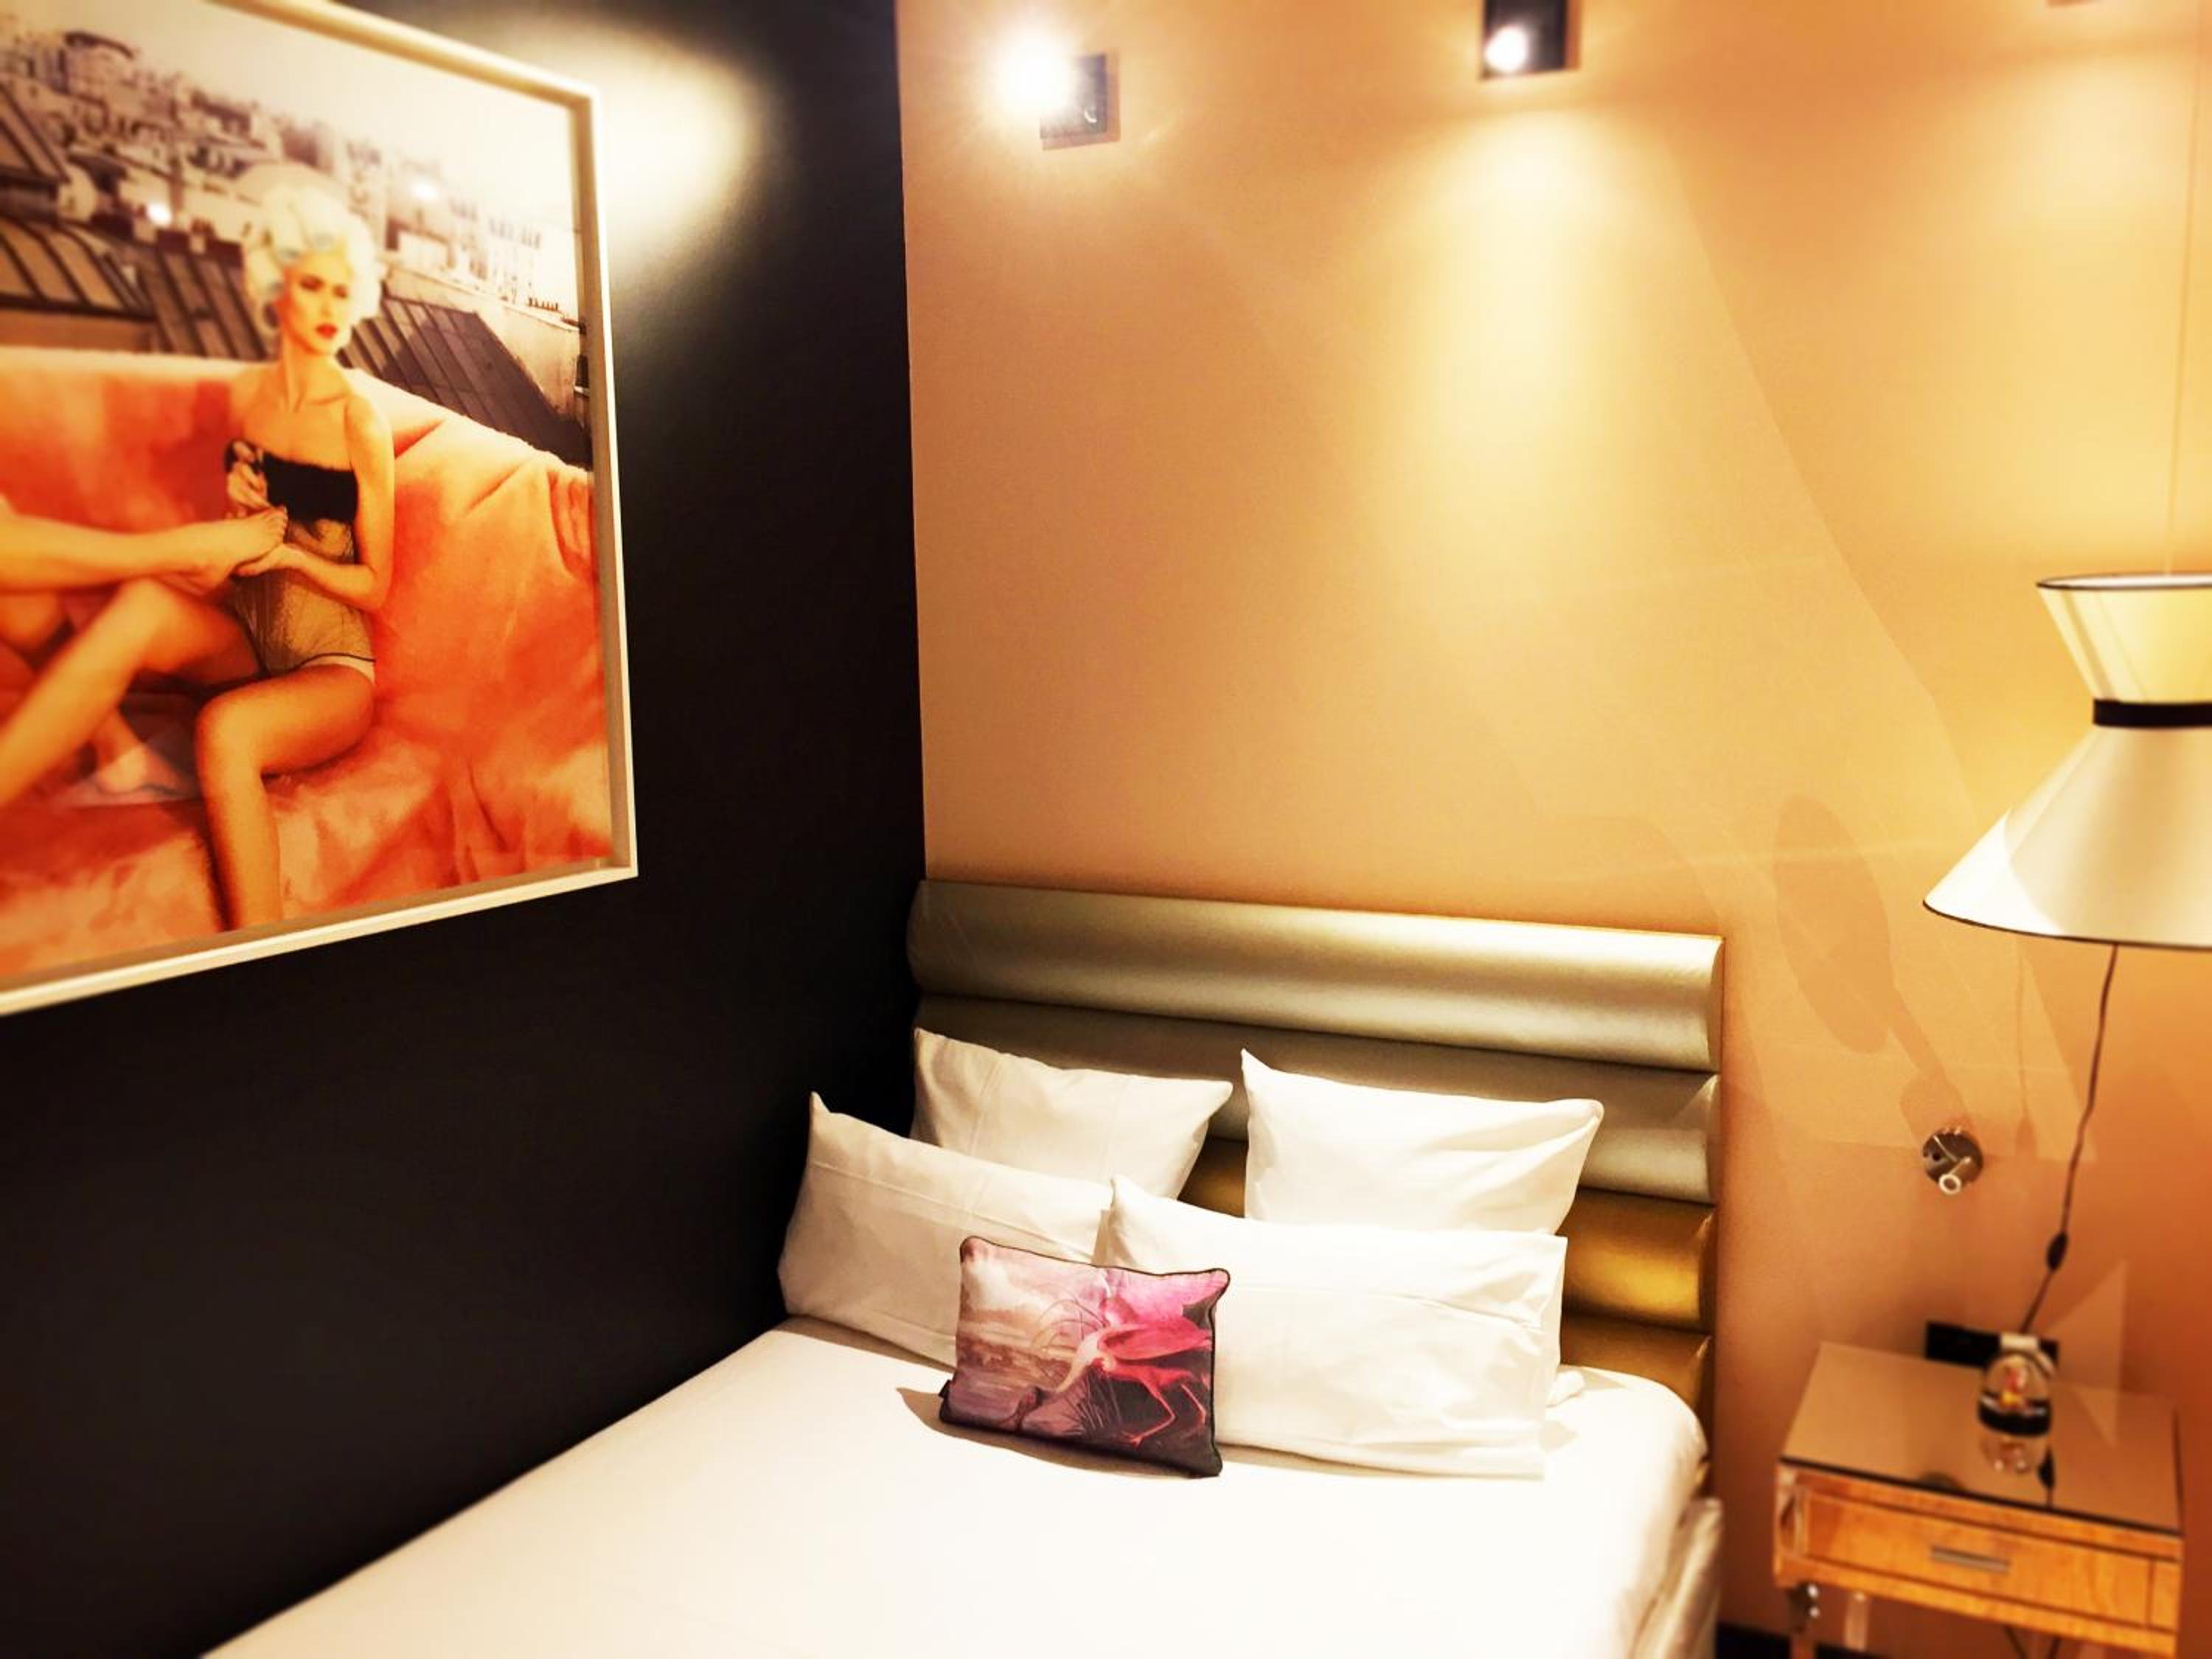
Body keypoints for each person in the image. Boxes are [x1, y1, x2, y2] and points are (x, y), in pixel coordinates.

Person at [0, 186, 395, 928]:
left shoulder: (358, 420)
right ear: (277, 286)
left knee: (226, 730)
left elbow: (376, 585)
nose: (328, 307)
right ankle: (110, 767)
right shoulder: (247, 395)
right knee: (142, 602)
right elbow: (232, 550)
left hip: (333, 671)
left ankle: (261, 951)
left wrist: (291, 560)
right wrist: (236, 515)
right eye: (312, 284)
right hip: (248, 639)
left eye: (342, 291)